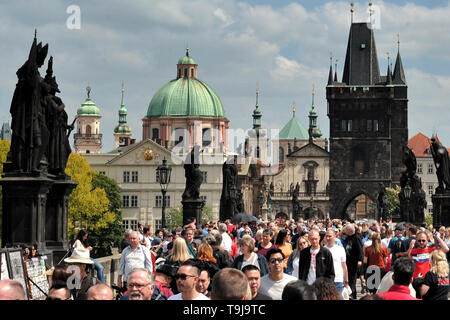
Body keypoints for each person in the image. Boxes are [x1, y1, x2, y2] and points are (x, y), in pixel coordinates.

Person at [408, 230, 449, 295]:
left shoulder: (432, 250)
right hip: (416, 282)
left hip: (429, 282)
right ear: (416, 241)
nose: (421, 242)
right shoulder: (413, 251)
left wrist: (438, 238)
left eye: (423, 240)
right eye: (419, 240)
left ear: (427, 240)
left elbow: (446, 249)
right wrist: (410, 247)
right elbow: (408, 260)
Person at [324, 228, 349, 294]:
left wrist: (346, 281)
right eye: (326, 236)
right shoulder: (323, 250)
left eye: (330, 236)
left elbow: (344, 266)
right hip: (326, 280)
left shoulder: (340, 249)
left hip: (338, 280)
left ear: (335, 236)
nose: (328, 238)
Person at [343, 223, 364, 299]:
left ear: (350, 230)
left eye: (347, 230)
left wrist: (360, 260)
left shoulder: (356, 238)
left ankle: (352, 295)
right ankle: (349, 294)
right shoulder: (347, 238)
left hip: (353, 261)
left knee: (352, 279)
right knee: (347, 278)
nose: (345, 231)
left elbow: (360, 250)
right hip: (347, 261)